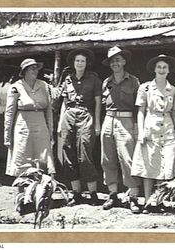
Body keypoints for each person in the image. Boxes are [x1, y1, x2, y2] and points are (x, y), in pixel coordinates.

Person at [131, 54, 175, 214]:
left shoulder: (173, 90)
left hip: (167, 129)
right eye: (159, 67)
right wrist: (141, 130)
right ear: (154, 69)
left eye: (164, 67)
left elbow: (174, 113)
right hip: (150, 127)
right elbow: (140, 111)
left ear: (168, 70)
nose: (161, 70)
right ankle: (146, 201)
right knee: (149, 165)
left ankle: (158, 201)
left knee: (164, 166)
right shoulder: (145, 88)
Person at [57, 48, 102, 206]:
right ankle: (76, 193)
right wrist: (60, 124)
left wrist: (97, 123)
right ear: (73, 63)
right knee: (68, 152)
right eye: (77, 61)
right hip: (68, 117)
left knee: (85, 152)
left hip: (86, 116)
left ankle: (93, 193)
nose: (80, 63)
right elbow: (64, 103)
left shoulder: (94, 79)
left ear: (86, 63)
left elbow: (97, 103)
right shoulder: (68, 79)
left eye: (82, 61)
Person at [100, 46, 141, 214]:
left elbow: (139, 106)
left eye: (118, 59)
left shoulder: (134, 81)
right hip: (108, 120)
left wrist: (137, 126)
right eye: (112, 61)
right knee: (107, 158)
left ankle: (133, 196)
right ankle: (113, 194)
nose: (115, 63)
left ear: (124, 61)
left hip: (127, 120)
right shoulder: (106, 82)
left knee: (127, 158)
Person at [4, 58, 55, 182]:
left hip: (41, 126)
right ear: (25, 71)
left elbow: (48, 110)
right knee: (23, 158)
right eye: (32, 68)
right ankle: (23, 196)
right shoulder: (16, 87)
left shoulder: (43, 85)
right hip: (23, 126)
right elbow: (9, 112)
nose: (35, 71)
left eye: (36, 68)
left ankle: (41, 193)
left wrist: (50, 130)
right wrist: (7, 135)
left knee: (42, 158)